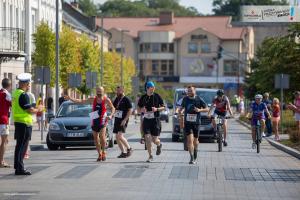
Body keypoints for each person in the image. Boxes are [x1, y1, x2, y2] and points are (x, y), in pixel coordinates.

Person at [65, 86, 115, 162]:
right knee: (95, 138)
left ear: (103, 92)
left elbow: (113, 108)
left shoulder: (106, 100)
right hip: (94, 120)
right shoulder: (92, 99)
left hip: (103, 120)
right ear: (96, 91)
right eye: (97, 91)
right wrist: (71, 98)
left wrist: (111, 115)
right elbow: (81, 101)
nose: (99, 92)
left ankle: (104, 151)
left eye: (100, 91)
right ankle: (99, 154)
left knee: (102, 136)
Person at [12, 73, 41, 175]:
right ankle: (20, 168)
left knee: (19, 145)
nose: (29, 86)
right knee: (22, 146)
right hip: (24, 123)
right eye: (28, 84)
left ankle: (17, 165)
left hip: (19, 122)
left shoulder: (15, 93)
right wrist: (38, 109)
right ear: (25, 84)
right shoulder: (23, 95)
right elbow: (29, 110)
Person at [179, 86, 208, 164]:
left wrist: (199, 110)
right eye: (188, 91)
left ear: (195, 91)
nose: (189, 92)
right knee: (190, 140)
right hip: (188, 123)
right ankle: (191, 157)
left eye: (191, 91)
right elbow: (181, 108)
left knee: (195, 141)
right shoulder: (185, 99)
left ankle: (195, 150)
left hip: (196, 123)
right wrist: (180, 111)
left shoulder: (199, 99)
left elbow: (207, 109)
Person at [138, 81, 165, 162]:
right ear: (147, 88)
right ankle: (150, 156)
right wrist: (141, 110)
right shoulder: (143, 97)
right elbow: (138, 108)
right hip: (146, 120)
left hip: (155, 120)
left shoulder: (157, 96)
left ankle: (159, 145)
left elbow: (163, 107)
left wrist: (157, 109)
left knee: (155, 140)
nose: (153, 89)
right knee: (148, 138)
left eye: (153, 87)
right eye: (151, 87)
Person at [113, 86, 133, 158]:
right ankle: (123, 152)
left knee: (119, 135)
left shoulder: (126, 99)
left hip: (123, 120)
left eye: (119, 91)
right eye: (117, 91)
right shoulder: (117, 99)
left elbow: (130, 110)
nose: (117, 92)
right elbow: (113, 107)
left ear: (122, 90)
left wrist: (125, 120)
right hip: (117, 119)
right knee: (117, 137)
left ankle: (129, 148)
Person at [0, 78, 12, 168]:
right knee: (4, 142)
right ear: (9, 86)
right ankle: (1, 161)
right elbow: (13, 106)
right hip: (3, 120)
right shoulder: (7, 94)